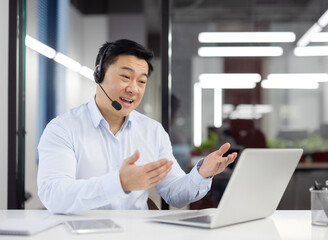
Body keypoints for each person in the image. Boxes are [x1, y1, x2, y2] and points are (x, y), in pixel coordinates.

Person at [37, 39, 237, 214]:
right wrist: (119, 183)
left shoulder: (152, 131)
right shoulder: (63, 129)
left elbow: (175, 193)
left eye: (141, 81)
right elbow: (54, 195)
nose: (133, 89)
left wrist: (203, 173)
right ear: (99, 74)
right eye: (125, 77)